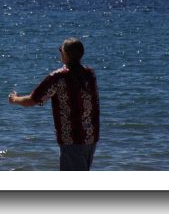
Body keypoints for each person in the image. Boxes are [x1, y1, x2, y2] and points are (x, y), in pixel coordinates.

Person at [8, 38, 100, 170]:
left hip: (72, 138)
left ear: (66, 54)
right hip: (91, 136)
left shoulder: (58, 77)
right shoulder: (89, 73)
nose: (59, 52)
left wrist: (14, 99)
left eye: (60, 50)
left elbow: (32, 100)